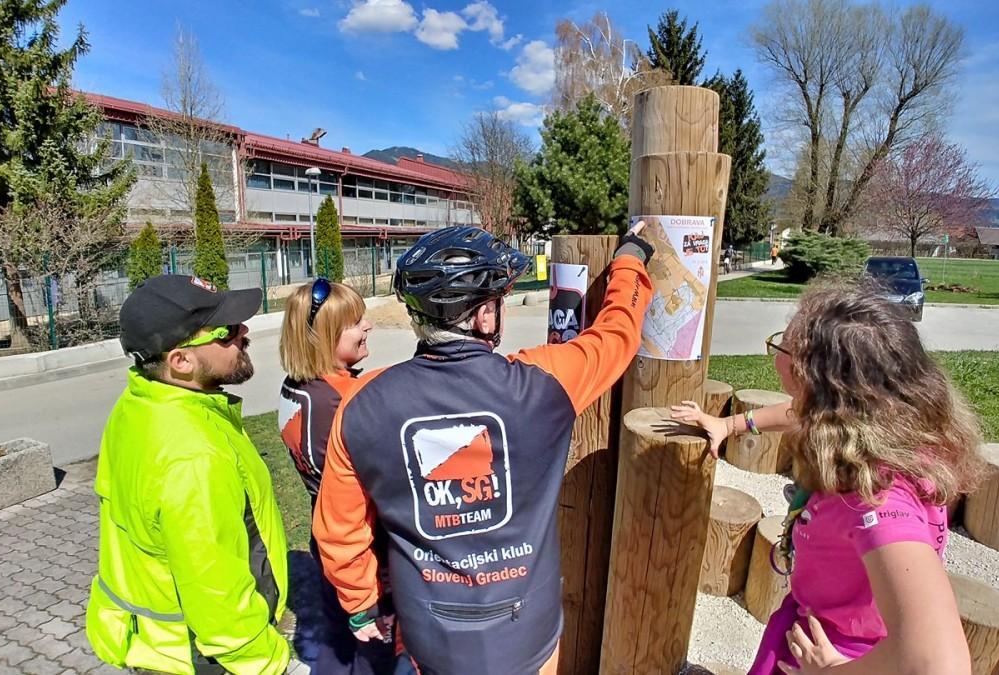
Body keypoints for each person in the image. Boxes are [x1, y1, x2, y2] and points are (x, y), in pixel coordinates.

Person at [313, 225, 654, 674]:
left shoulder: (361, 404)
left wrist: (361, 604)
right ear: (484, 318)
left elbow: (339, 530)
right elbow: (616, 335)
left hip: (430, 639)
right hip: (525, 636)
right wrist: (630, 258)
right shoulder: (545, 382)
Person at [672, 282, 983, 674]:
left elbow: (940, 665)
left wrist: (829, 671)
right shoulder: (880, 424)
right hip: (824, 628)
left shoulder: (879, 500)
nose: (775, 357)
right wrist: (731, 423)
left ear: (816, 379)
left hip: (842, 653)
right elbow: (803, 412)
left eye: (782, 350)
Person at [86, 275, 299, 675]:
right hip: (200, 657)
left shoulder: (140, 404)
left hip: (158, 642)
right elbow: (215, 590)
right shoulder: (193, 457)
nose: (244, 333)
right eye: (226, 332)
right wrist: (269, 664)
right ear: (181, 361)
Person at [277, 278, 399, 674]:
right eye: (355, 323)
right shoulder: (340, 404)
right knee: (373, 649)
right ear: (322, 337)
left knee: (337, 637)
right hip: (362, 548)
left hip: (325, 535)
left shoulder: (297, 388)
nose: (368, 327)